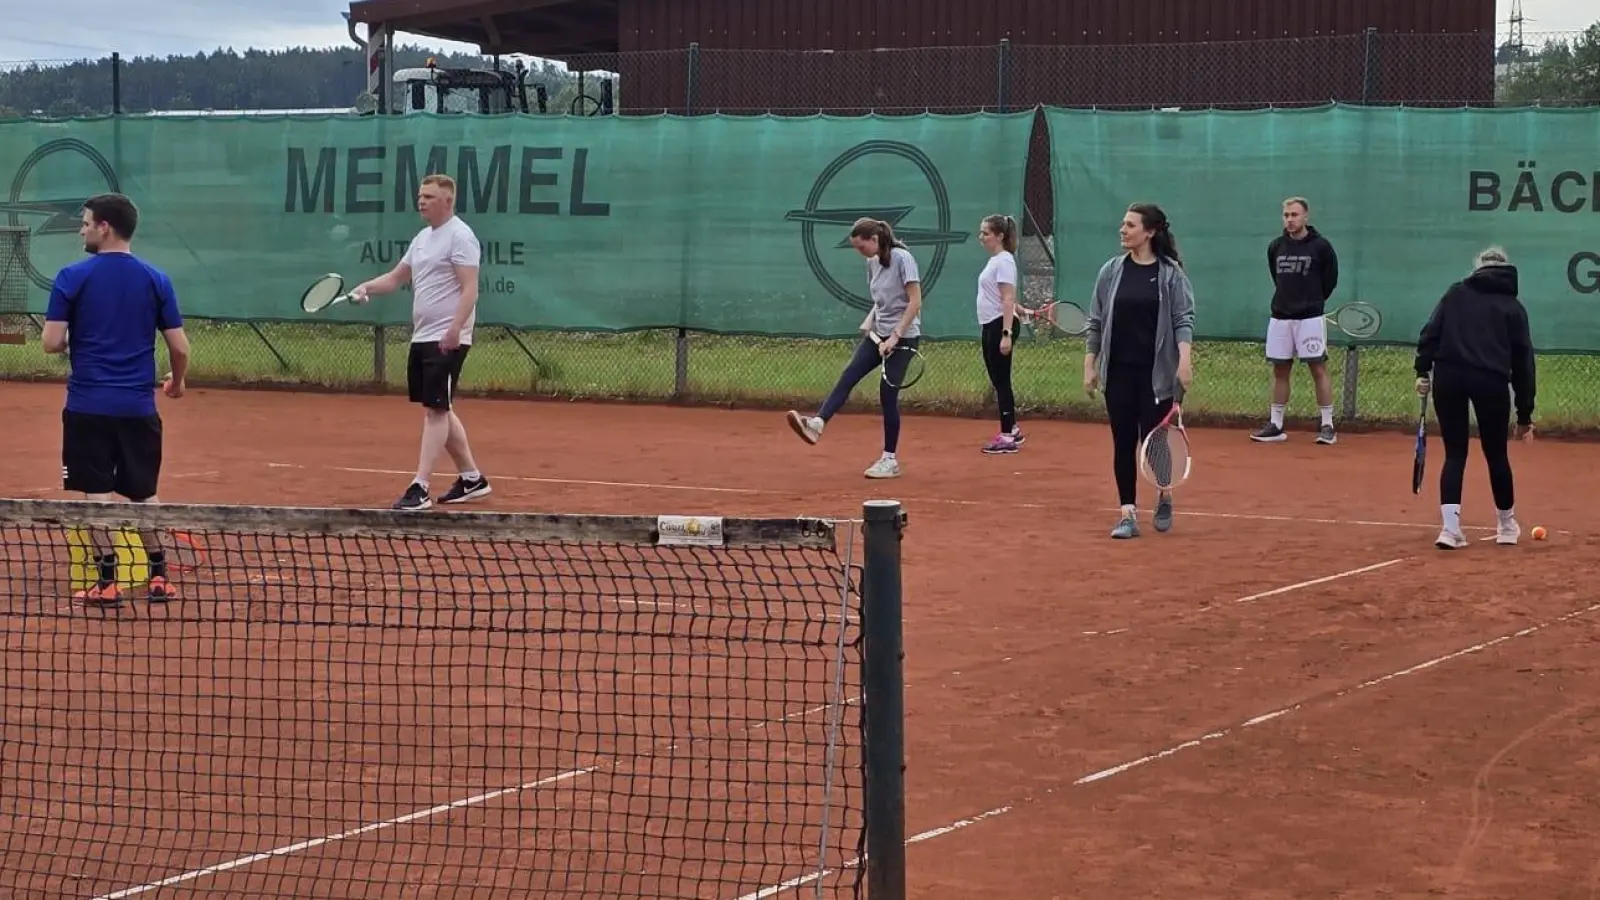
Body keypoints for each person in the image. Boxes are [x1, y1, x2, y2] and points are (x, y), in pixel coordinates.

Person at [41, 192, 191, 607]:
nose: (82, 230)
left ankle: (107, 581)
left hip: (87, 407)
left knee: (96, 493)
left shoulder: (71, 276)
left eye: (86, 223)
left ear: (105, 227)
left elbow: (51, 342)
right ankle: (159, 576)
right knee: (144, 493)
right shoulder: (156, 279)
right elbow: (180, 348)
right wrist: (177, 384)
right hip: (137, 409)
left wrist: (74, 338)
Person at [350, 174, 492, 511]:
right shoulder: (422, 238)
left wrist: (455, 329)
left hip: (447, 337)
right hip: (423, 335)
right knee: (439, 405)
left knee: (436, 410)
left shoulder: (461, 236)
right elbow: (396, 278)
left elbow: (470, 288)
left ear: (448, 201)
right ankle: (472, 479)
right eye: (420, 196)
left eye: (429, 197)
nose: (421, 201)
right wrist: (367, 287)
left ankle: (421, 486)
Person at [1083, 203, 1195, 539]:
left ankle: (1165, 494)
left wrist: (1184, 361)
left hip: (1156, 375)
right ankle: (1127, 514)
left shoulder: (1171, 274)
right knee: (1123, 442)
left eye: (1130, 225)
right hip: (1118, 372)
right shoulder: (1111, 271)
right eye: (1123, 224)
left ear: (1149, 232)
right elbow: (1096, 321)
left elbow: (1183, 319)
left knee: (1155, 441)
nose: (1123, 229)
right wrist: (1090, 364)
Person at [1413, 246, 1535, 550]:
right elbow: (1523, 364)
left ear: (1478, 267)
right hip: (1490, 381)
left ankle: (1450, 530)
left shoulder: (1455, 294)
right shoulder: (1513, 307)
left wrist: (1422, 370)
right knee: (1497, 454)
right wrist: (1524, 415)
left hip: (1449, 378)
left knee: (1455, 454)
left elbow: (1430, 333)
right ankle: (1506, 526)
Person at [785, 217, 922, 479]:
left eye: (862, 247)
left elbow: (915, 301)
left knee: (887, 395)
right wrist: (871, 321)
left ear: (875, 239)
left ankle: (889, 460)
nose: (860, 253)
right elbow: (880, 301)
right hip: (878, 335)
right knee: (849, 375)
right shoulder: (872, 263)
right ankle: (817, 424)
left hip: (904, 337)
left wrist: (895, 337)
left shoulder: (903, 258)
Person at [1250, 197, 1340, 445]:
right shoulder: (1276, 247)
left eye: (1294, 215)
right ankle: (1276, 425)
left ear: (1306, 217)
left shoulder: (1321, 247)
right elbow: (1277, 278)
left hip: (1310, 319)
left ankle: (1327, 425)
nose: (1290, 220)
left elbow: (1330, 280)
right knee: (1280, 370)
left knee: (1318, 369)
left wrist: (1313, 302)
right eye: (1286, 215)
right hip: (1280, 318)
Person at [975, 214, 1025, 454]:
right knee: (998, 380)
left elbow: (1007, 297)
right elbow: (1003, 296)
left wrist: (1006, 334)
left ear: (1000, 236)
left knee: (1002, 381)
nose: (981, 237)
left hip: (999, 326)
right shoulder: (997, 261)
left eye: (986, 233)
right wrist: (1019, 308)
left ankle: (1006, 437)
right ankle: (1012, 428)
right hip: (991, 324)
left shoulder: (1004, 261)